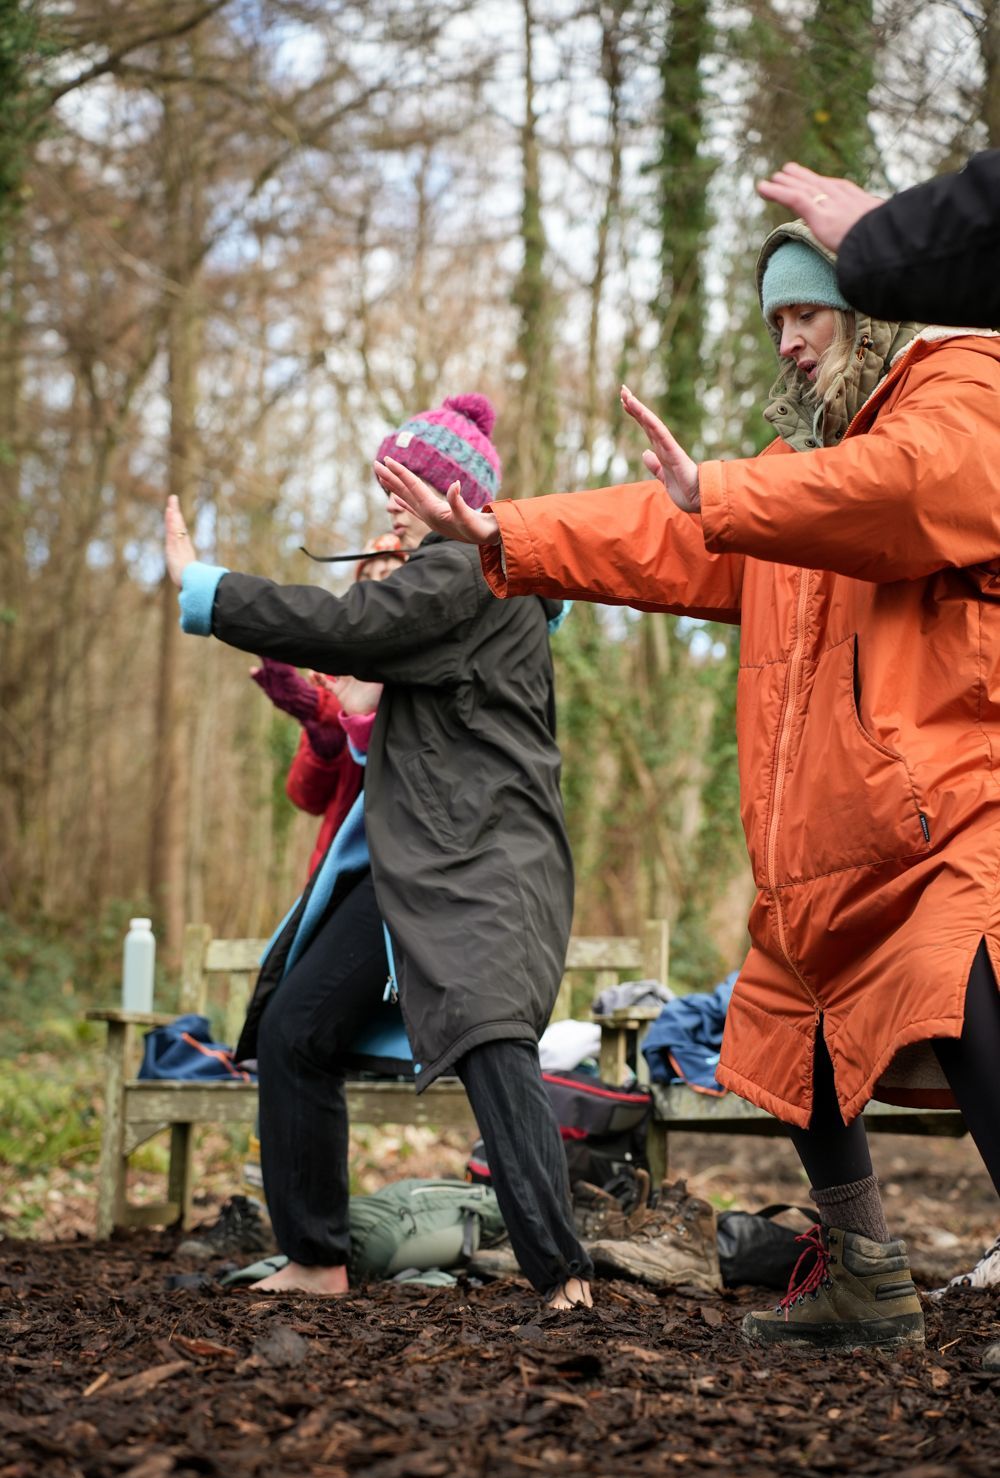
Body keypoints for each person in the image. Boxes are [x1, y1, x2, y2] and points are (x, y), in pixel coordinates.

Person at [376, 227, 1000, 1354]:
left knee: (955, 980)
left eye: (807, 313)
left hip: (951, 814)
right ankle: (865, 1274)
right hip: (828, 840)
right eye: (773, 323)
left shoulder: (959, 388)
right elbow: (664, 532)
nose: (789, 339)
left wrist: (724, 488)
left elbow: (909, 490)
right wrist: (503, 533)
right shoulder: (794, 473)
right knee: (788, 1016)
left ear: (872, 311)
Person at [163, 393, 593, 1310]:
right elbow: (352, 688)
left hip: (483, 863)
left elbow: (344, 631)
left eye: (404, 482)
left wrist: (208, 588)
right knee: (297, 1030)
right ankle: (317, 1258)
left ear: (453, 494)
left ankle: (564, 1277)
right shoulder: (448, 577)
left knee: (492, 1046)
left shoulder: (471, 576)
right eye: (384, 483)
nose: (389, 500)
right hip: (414, 866)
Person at [251, 535, 405, 878]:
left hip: (407, 863)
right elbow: (306, 797)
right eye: (371, 575)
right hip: (344, 868)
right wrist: (322, 738)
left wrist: (316, 705)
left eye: (392, 572)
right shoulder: (337, 671)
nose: (381, 583)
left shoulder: (425, 659)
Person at [757, 153, 1000, 327]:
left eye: (807, 315)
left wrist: (885, 236)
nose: (786, 347)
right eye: (779, 324)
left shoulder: (944, 385)